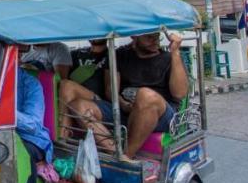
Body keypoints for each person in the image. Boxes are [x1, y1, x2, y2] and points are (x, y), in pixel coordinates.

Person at [68, 31, 188, 159]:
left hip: (160, 115)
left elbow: (179, 94)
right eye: (148, 36)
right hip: (126, 110)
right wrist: (123, 105)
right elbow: (111, 91)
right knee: (77, 106)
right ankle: (114, 150)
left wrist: (175, 52)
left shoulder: (169, 59)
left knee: (145, 95)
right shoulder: (120, 55)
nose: (154, 40)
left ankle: (127, 155)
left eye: (157, 36)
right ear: (134, 35)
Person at [59, 39, 110, 139]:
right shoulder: (75, 54)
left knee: (67, 85)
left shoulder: (113, 55)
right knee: (65, 85)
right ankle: (63, 136)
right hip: (71, 97)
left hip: (99, 102)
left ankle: (62, 136)